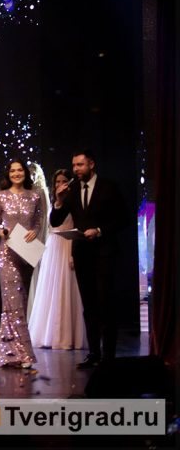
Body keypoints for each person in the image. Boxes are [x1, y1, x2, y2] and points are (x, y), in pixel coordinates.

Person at [50, 150, 128, 368]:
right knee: (89, 305)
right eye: (74, 165)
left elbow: (123, 218)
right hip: (82, 253)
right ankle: (94, 353)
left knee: (105, 303)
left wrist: (100, 230)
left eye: (80, 165)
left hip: (104, 252)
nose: (76, 169)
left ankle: (109, 356)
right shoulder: (73, 189)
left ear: (91, 164)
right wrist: (59, 200)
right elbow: (55, 221)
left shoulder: (108, 186)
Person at [0, 160, 42, 368]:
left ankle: (11, 352)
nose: (16, 173)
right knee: (13, 301)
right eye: (13, 170)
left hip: (26, 252)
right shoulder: (0, 196)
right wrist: (1, 232)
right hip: (8, 253)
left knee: (21, 301)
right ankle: (25, 354)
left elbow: (38, 222)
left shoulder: (35, 196)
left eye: (20, 170)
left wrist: (34, 232)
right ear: (8, 174)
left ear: (25, 173)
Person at [28, 169, 86, 349]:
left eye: (64, 181)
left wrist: (73, 253)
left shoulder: (75, 200)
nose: (60, 184)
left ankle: (67, 336)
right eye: (57, 182)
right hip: (53, 246)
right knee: (50, 289)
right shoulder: (55, 201)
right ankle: (49, 334)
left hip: (67, 244)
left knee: (66, 287)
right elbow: (51, 223)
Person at [26, 162, 50, 318]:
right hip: (27, 236)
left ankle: (39, 314)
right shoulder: (26, 191)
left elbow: (45, 217)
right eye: (30, 173)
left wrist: (41, 241)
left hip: (39, 236)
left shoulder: (41, 191)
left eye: (35, 173)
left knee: (39, 272)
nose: (32, 176)